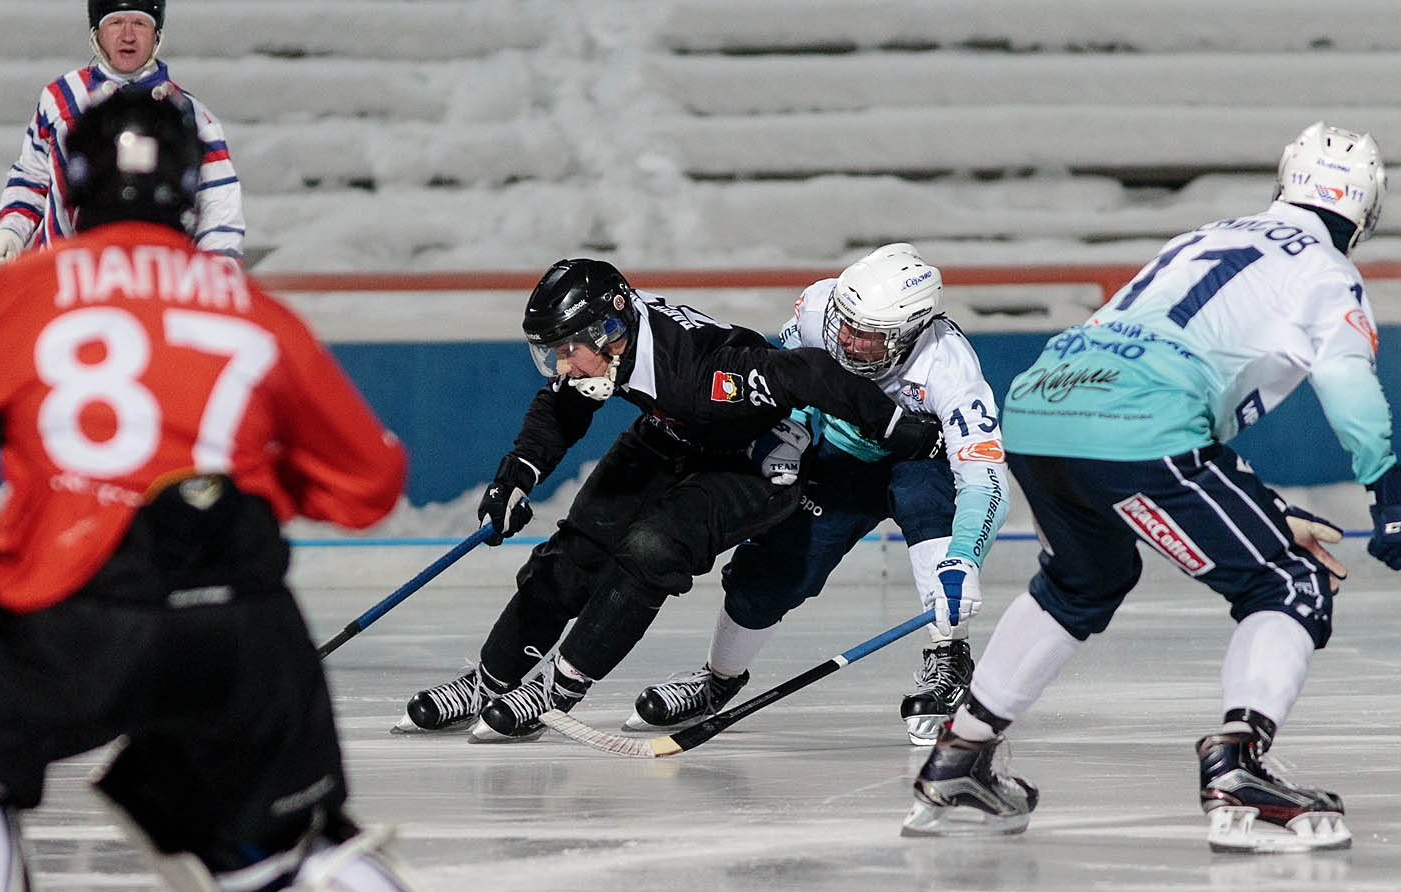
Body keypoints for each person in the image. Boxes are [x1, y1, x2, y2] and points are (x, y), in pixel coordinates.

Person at [0, 89, 547, 892]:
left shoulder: (17, 292)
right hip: (243, 616)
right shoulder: (252, 307)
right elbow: (372, 483)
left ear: (69, 189)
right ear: (194, 196)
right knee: (283, 834)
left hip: (77, 608)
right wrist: (241, 492)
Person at [901, 121, 1401, 854]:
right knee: (1289, 582)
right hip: (1142, 421)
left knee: (1082, 579)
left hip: (1043, 402)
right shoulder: (1327, 272)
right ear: (1366, 213)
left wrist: (1260, 509)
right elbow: (1350, 390)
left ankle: (961, 757)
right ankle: (1237, 768)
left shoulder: (1203, 237)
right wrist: (1390, 499)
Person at [402, 257, 944, 743]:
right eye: (554, 353)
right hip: (673, 431)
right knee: (575, 550)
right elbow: (562, 408)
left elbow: (812, 371)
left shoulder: (707, 375)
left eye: (569, 351)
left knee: (651, 549)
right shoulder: (607, 344)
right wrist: (515, 475)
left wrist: (901, 430)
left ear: (611, 330)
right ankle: (491, 678)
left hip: (753, 459)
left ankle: (560, 687)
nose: (563, 365)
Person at [630, 243, 1009, 744]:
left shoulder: (950, 369)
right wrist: (792, 430)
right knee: (769, 571)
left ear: (910, 333)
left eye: (867, 337)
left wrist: (964, 557)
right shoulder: (816, 309)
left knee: (929, 508)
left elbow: (986, 479)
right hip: (843, 454)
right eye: (843, 323)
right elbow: (788, 380)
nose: (846, 341)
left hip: (919, 457)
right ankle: (717, 679)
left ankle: (948, 657)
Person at [0, 0, 244, 267]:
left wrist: (219, 270)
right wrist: (11, 230)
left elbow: (218, 203)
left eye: (140, 23)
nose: (127, 35)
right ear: (97, 31)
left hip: (154, 281)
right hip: (63, 277)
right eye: (116, 22)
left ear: (157, 34)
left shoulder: (193, 117)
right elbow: (32, 176)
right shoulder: (60, 97)